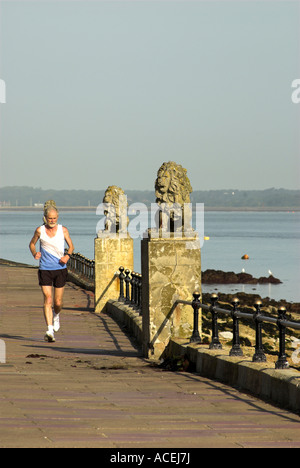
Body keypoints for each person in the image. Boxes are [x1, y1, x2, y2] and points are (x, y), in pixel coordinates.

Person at [29, 201, 74, 343]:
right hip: (45, 269)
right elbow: (31, 243)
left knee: (58, 302)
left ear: (57, 218)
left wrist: (67, 255)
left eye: (54, 218)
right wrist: (34, 253)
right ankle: (49, 330)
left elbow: (71, 246)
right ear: (45, 218)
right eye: (50, 218)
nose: (52, 221)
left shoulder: (63, 230)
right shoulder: (39, 230)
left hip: (60, 269)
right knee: (48, 299)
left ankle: (56, 315)